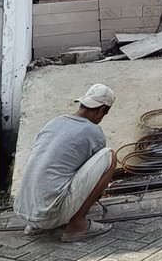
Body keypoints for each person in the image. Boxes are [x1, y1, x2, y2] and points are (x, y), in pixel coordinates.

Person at [16, 83, 118, 239]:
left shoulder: (54, 122)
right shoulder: (93, 131)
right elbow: (92, 180)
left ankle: (35, 224)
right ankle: (76, 225)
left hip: (24, 211)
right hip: (49, 214)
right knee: (109, 156)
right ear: (102, 110)